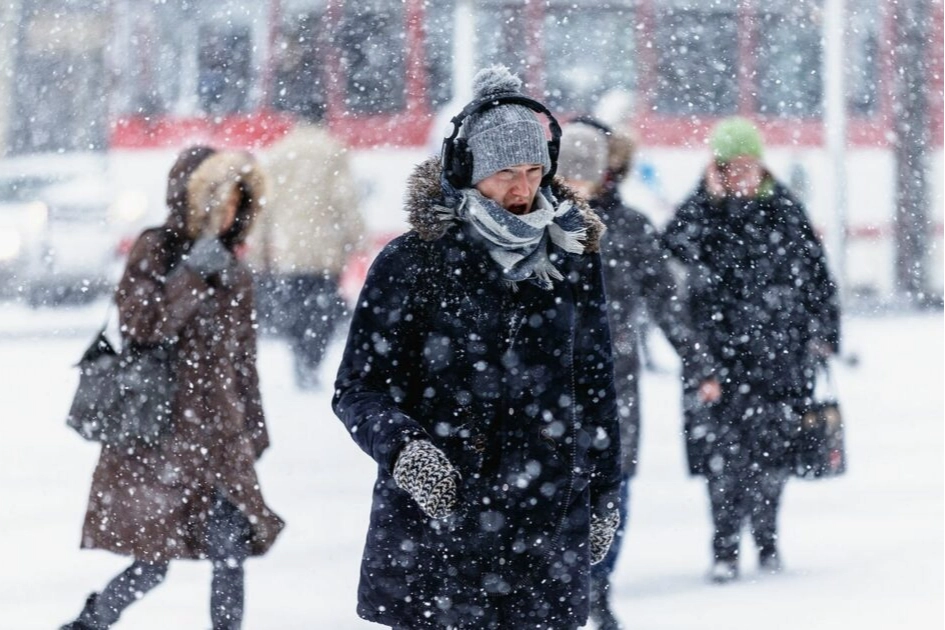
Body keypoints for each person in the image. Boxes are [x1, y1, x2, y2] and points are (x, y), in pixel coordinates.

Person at [332, 65, 622, 630]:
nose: (522, 190)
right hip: (437, 536)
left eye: (535, 169)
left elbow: (594, 387)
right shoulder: (410, 263)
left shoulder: (573, 258)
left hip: (546, 531)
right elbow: (357, 389)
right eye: (505, 173)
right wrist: (408, 453)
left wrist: (605, 490)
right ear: (466, 171)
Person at [60, 147, 284, 630]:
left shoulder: (236, 272)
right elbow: (142, 324)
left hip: (220, 436)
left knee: (229, 551)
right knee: (153, 562)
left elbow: (243, 360)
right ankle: (90, 622)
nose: (225, 215)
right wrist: (192, 275)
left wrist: (254, 428)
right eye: (216, 202)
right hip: (160, 434)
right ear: (192, 199)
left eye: (234, 205)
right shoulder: (156, 249)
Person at [661, 117, 840, 583]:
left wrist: (824, 333)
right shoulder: (701, 213)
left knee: (774, 457)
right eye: (729, 167)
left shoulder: (784, 210)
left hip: (781, 358)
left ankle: (767, 540)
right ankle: (723, 548)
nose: (741, 176)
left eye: (747, 166)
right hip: (717, 363)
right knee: (723, 461)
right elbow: (667, 256)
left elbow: (818, 278)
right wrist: (706, 202)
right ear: (715, 169)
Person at [557, 119, 720, 629]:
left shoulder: (628, 229)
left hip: (614, 383)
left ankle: (597, 586)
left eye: (584, 176)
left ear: (606, 174)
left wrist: (698, 363)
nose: (575, 187)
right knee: (556, 492)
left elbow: (668, 307)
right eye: (566, 177)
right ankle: (564, 587)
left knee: (613, 488)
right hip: (549, 387)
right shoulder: (532, 226)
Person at [246, 100, 363, 390]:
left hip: (289, 246)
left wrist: (258, 248)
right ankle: (313, 358)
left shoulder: (278, 152)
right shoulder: (333, 150)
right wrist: (358, 238)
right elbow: (344, 199)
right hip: (325, 246)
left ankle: (300, 357)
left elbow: (264, 205)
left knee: (296, 306)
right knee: (323, 309)